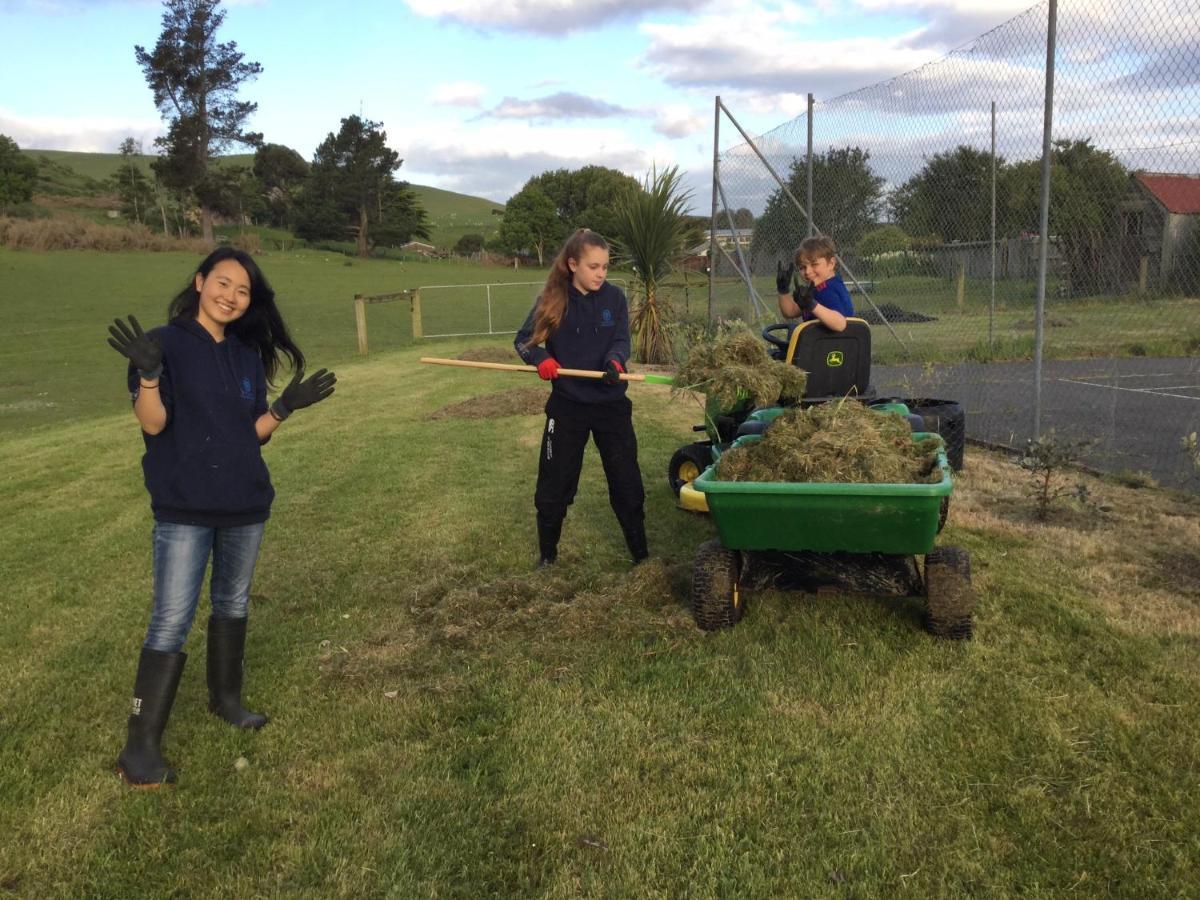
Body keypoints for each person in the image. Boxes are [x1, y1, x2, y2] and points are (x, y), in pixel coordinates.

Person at [107, 247, 336, 788]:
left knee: (232, 602)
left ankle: (226, 701)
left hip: (245, 502)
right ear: (200, 281)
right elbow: (155, 424)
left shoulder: (243, 356)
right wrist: (147, 375)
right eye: (224, 283)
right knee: (171, 617)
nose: (231, 297)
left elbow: (248, 432)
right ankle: (139, 748)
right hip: (185, 505)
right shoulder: (162, 345)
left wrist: (283, 409)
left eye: (243, 291)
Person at [514, 228, 648, 569]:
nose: (601, 273)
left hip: (610, 406)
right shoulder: (551, 299)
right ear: (573, 264)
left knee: (626, 481)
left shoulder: (615, 299)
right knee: (554, 483)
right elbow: (523, 340)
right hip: (568, 406)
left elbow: (621, 340)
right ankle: (548, 555)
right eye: (594, 266)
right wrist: (539, 358)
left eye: (605, 266)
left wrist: (614, 361)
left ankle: (641, 556)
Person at [776, 235, 855, 332]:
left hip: (834, 346)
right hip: (818, 344)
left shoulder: (828, 290)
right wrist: (783, 290)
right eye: (802, 267)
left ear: (831, 263)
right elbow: (790, 312)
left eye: (814, 264)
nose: (808, 271)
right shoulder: (816, 290)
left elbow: (840, 324)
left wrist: (812, 305)